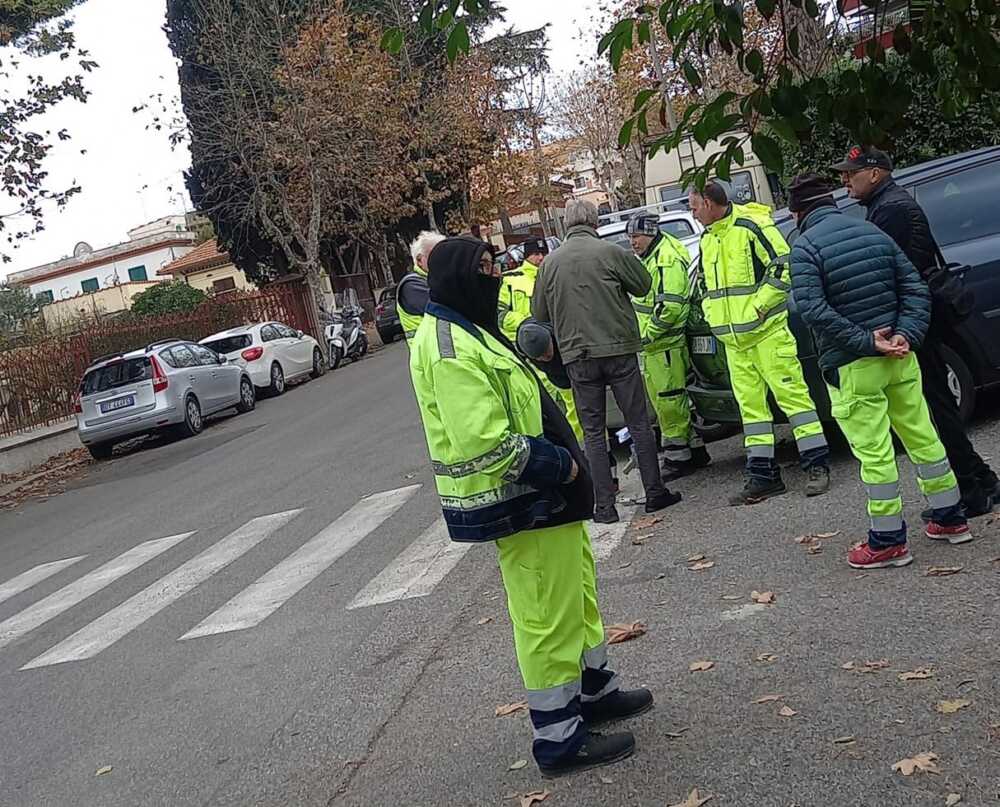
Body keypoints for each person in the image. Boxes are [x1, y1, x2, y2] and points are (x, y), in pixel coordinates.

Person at [408, 235, 652, 775]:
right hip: (524, 499)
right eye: (485, 268)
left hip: (546, 499)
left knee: (576, 596)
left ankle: (594, 690)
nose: (495, 276)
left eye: (496, 266)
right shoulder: (449, 344)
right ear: (457, 277)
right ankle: (559, 738)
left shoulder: (473, 329)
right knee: (546, 616)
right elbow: (484, 442)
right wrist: (559, 466)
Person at [787, 173, 970, 569]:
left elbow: (814, 311)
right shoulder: (873, 233)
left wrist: (868, 342)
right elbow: (915, 289)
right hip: (901, 358)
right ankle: (951, 518)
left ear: (797, 212)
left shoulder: (804, 248)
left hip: (855, 365)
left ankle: (888, 542)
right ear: (832, 202)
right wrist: (905, 334)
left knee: (875, 454)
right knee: (923, 436)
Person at [835, 145, 999, 517]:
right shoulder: (887, 205)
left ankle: (971, 489)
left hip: (918, 320)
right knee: (937, 402)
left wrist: (896, 326)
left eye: (851, 172)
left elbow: (897, 272)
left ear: (875, 173)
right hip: (924, 315)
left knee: (937, 406)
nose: (845, 180)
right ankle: (982, 478)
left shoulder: (891, 210)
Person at [531, 199, 680, 524]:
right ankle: (655, 492)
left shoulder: (549, 264)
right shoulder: (611, 252)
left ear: (566, 225)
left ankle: (604, 507)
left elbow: (538, 315)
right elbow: (643, 285)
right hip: (619, 350)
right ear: (595, 222)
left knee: (594, 432)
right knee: (639, 422)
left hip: (577, 355)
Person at [689, 182, 831, 505]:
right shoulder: (709, 237)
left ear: (710, 204)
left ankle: (817, 466)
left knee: (794, 400)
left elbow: (783, 266)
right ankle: (763, 476)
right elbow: (710, 288)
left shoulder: (752, 225)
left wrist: (759, 307)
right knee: (752, 412)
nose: (692, 213)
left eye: (694, 206)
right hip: (735, 341)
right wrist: (715, 317)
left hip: (767, 334)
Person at [626, 215, 710, 480]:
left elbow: (670, 307)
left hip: (664, 344)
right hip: (659, 345)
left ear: (650, 234)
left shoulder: (666, 258)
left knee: (670, 402)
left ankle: (677, 459)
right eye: (631, 237)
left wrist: (647, 335)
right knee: (673, 400)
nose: (632, 242)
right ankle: (695, 451)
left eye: (636, 236)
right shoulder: (656, 254)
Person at [499, 238, 583, 443]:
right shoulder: (511, 280)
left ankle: (580, 448)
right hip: (530, 355)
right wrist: (528, 324)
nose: (540, 258)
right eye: (535, 254)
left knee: (574, 405)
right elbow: (500, 315)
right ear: (526, 256)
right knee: (539, 410)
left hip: (557, 351)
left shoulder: (554, 274)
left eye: (543, 253)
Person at [398, 231, 446, 343]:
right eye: (436, 254)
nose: (443, 259)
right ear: (420, 260)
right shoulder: (411, 286)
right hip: (430, 354)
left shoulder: (435, 280)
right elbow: (448, 306)